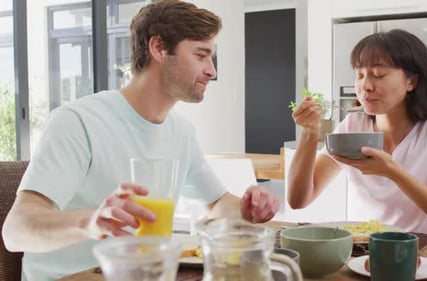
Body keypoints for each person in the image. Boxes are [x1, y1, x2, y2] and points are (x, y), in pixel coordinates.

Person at [2, 1, 279, 280]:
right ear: (158, 48)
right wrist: (91, 222)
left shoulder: (181, 132)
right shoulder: (77, 121)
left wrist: (246, 210)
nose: (212, 71)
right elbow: (16, 231)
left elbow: (217, 204)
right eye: (201, 55)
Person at [288, 29, 427, 235]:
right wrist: (309, 133)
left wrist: (393, 172)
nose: (365, 86)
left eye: (378, 75)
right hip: (360, 249)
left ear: (411, 82)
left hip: (419, 251)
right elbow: (298, 200)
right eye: (359, 75)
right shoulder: (353, 125)